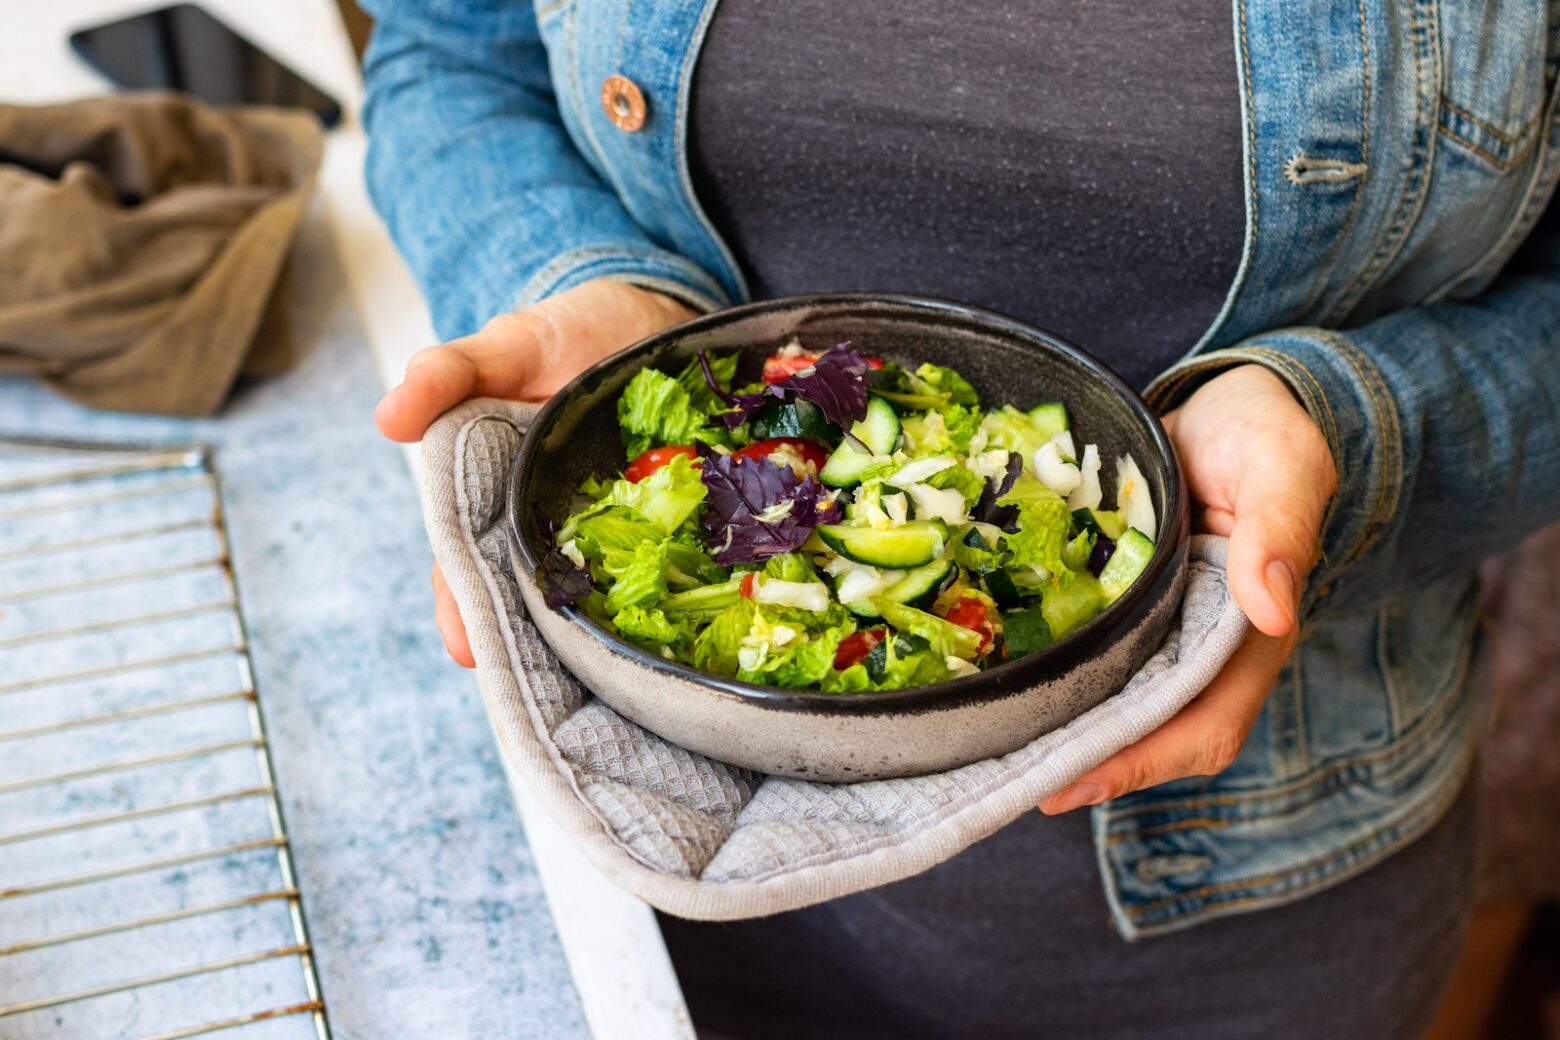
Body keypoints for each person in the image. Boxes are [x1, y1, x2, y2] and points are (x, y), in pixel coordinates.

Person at [361, 2, 1560, 1036]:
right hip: (658, 878)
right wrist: (574, 280)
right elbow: (453, 53)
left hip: (1249, 925)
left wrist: (1349, 429)